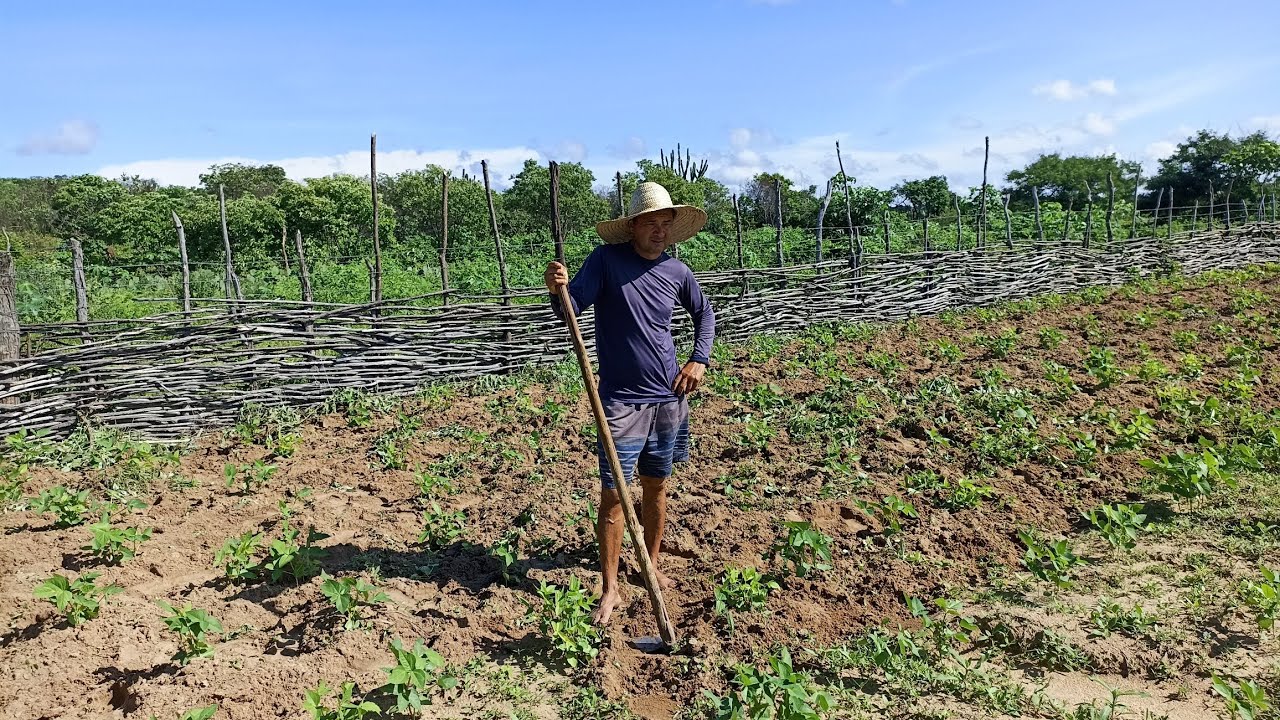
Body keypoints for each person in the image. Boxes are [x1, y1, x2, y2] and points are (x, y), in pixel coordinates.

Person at [545, 181, 716, 625]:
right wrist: (556, 289)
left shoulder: (677, 271)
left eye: (666, 224)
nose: (659, 231)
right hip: (620, 402)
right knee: (614, 498)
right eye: (651, 223)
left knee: (657, 487)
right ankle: (610, 587)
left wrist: (698, 359)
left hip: (668, 398)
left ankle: (651, 565)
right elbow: (571, 310)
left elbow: (705, 315)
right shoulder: (606, 262)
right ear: (633, 226)